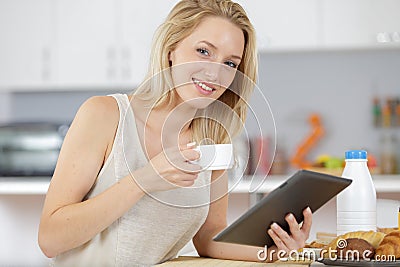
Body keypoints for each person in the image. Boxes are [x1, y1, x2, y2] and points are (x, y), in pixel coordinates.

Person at [38, 0, 312, 265]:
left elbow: (209, 236)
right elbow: (51, 240)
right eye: (204, 51)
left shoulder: (213, 138)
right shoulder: (105, 115)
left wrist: (273, 251)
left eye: (230, 63)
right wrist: (145, 180)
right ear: (171, 49)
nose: (215, 73)